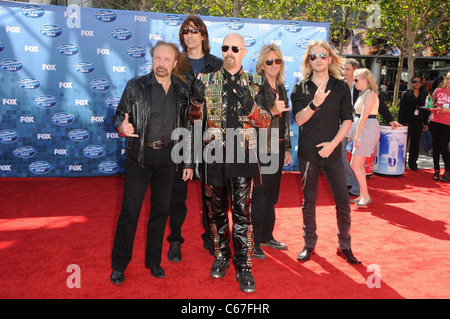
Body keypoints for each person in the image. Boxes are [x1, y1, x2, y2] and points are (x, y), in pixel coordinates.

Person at [189, 33, 273, 293]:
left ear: (244, 52)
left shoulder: (257, 84)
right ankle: (221, 256)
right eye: (225, 48)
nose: (229, 52)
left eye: (235, 48)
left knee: (242, 214)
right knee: (214, 212)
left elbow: (266, 122)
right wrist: (195, 101)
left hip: (243, 157)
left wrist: (250, 106)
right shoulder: (204, 80)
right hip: (213, 154)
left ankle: (244, 266)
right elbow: (194, 119)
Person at [110, 41, 193, 284]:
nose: (161, 64)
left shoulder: (182, 91)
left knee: (161, 211)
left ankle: (153, 261)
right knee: (130, 212)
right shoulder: (135, 87)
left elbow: (187, 127)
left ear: (175, 63)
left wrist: (187, 161)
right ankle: (119, 264)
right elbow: (118, 114)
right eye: (158, 58)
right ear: (152, 59)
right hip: (139, 158)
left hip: (168, 159)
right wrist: (121, 127)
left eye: (167, 59)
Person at [291, 40, 360, 264]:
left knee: (343, 200)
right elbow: (299, 120)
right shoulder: (300, 88)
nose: (318, 60)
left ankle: (344, 244)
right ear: (308, 61)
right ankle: (309, 243)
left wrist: (332, 144)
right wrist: (315, 103)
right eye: (313, 56)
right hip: (308, 155)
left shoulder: (340, 86)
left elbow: (347, 120)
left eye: (323, 55)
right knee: (308, 201)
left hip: (334, 154)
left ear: (330, 58)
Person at [166, 15, 223, 263]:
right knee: (177, 193)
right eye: (185, 32)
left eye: (194, 31)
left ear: (203, 35)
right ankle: (175, 240)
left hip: (210, 135)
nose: (189, 35)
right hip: (181, 134)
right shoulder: (175, 64)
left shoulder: (217, 64)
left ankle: (212, 238)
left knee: (211, 193)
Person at [252, 44, 292, 259]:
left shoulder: (283, 87)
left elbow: (284, 120)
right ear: (262, 64)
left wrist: (286, 147)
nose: (274, 65)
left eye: (277, 61)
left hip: (276, 148)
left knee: (271, 196)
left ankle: (267, 235)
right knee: (258, 196)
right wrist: (272, 110)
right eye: (269, 61)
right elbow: (253, 118)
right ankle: (254, 240)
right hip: (259, 149)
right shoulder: (256, 87)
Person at [341, 58, 401, 197]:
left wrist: (390, 120)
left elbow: (379, 107)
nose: (344, 72)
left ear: (357, 71)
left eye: (347, 69)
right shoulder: (341, 85)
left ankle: (358, 189)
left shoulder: (366, 91)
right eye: (343, 69)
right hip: (346, 124)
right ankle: (353, 184)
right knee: (341, 155)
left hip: (361, 126)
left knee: (355, 162)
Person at [349, 68, 380, 207]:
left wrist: (356, 136)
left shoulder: (370, 95)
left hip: (367, 129)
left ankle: (366, 196)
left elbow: (364, 117)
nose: (354, 82)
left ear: (365, 80)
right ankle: (363, 195)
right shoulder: (363, 94)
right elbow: (357, 117)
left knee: (355, 164)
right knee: (357, 164)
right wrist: (352, 133)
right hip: (363, 129)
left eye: (356, 79)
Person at [398, 75, 429, 171]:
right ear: (411, 83)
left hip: (419, 121)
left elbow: (426, 110)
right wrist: (400, 123)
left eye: (419, 82)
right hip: (407, 121)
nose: (417, 83)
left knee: (415, 143)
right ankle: (401, 163)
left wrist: (425, 122)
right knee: (404, 143)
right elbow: (401, 109)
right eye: (415, 81)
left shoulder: (424, 94)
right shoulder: (405, 94)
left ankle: (413, 163)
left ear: (421, 83)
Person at [429, 71, 450, 182]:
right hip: (435, 121)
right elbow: (432, 104)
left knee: (443, 146)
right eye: (447, 78)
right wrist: (431, 108)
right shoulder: (438, 91)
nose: (448, 81)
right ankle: (436, 170)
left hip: (447, 124)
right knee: (435, 146)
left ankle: (447, 171)